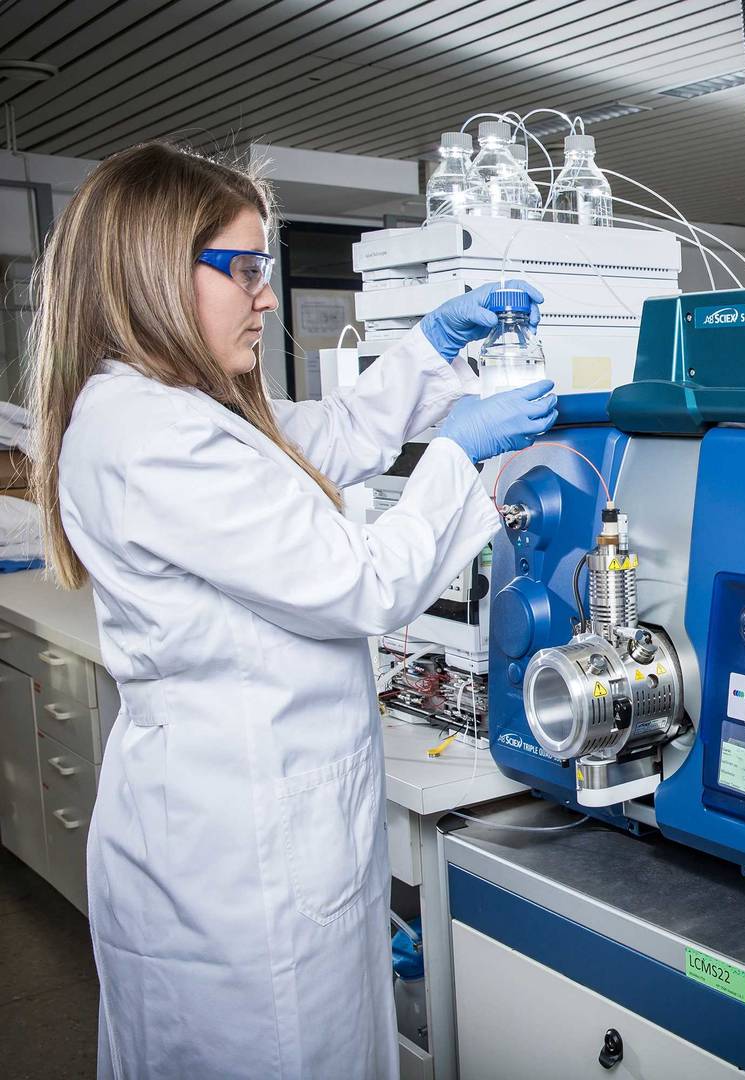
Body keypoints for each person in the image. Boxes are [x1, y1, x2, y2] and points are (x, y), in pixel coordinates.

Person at [27, 141, 558, 1079]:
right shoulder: (146, 434)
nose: (266, 296)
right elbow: (365, 583)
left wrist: (430, 348)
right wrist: (459, 453)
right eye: (245, 268)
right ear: (156, 271)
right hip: (236, 864)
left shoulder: (190, 413)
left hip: (272, 825)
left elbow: (331, 437)